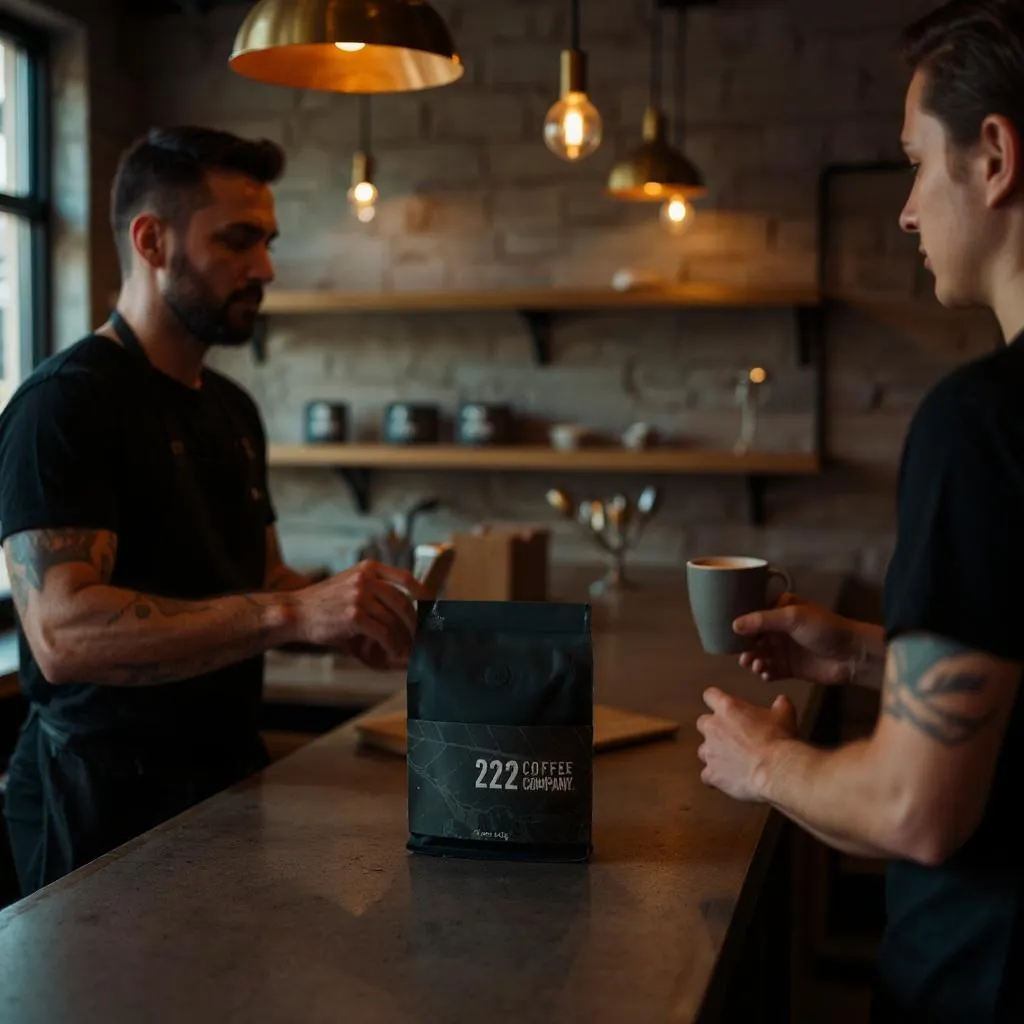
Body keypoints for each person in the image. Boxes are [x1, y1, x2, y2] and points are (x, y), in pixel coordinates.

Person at [696, 2, 1024, 1021]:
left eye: (917, 163)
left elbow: (913, 809)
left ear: (995, 156)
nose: (906, 212)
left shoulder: (980, 423)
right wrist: (862, 657)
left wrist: (764, 762)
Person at [0, 126, 426, 898]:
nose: (264, 267)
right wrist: (291, 615)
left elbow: (260, 579)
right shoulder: (65, 404)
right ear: (152, 240)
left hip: (226, 780)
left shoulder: (232, 408)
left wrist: (353, 615)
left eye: (266, 241)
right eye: (237, 241)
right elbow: (62, 633)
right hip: (100, 803)